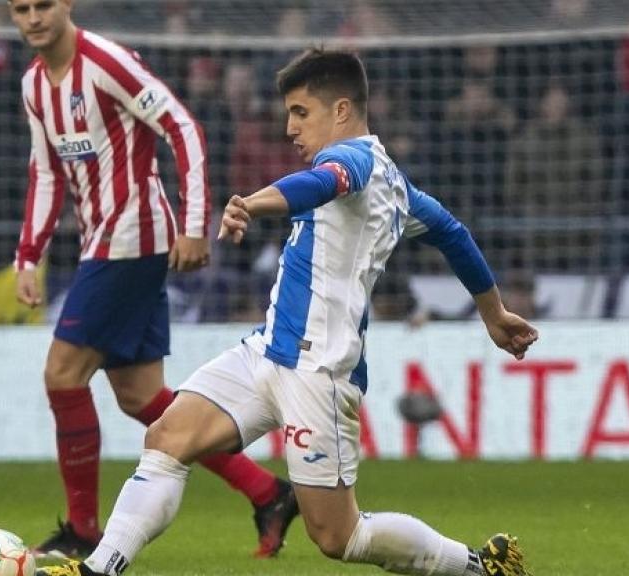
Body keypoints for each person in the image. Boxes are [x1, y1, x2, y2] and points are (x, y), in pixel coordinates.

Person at [38, 49, 538, 576]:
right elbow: (451, 232)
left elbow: (321, 184)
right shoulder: (398, 188)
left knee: (339, 536)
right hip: (269, 351)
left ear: (341, 111)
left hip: (317, 372)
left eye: (301, 112)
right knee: (167, 437)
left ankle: (478, 566)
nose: (289, 127)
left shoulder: (355, 163)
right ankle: (100, 567)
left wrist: (252, 203)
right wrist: (493, 312)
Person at [7, 0, 298, 560]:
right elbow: (46, 172)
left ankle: (83, 532)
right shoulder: (34, 86)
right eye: (21, 9)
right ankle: (268, 493)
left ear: (65, 5)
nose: (34, 17)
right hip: (102, 242)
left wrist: (195, 224)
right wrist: (28, 255)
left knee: (62, 375)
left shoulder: (108, 62)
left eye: (43, 5)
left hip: (135, 237)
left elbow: (181, 127)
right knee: (141, 397)